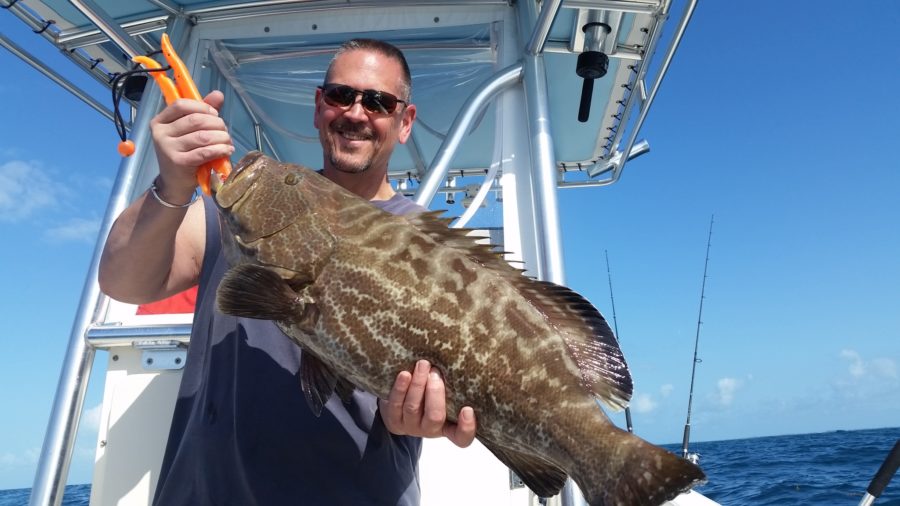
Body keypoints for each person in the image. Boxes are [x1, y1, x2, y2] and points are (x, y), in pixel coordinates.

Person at [99, 38, 477, 505]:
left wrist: (415, 412)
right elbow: (123, 281)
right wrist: (171, 185)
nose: (356, 112)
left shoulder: (429, 247)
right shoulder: (247, 206)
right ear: (319, 107)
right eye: (341, 95)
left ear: (405, 122)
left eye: (378, 101)